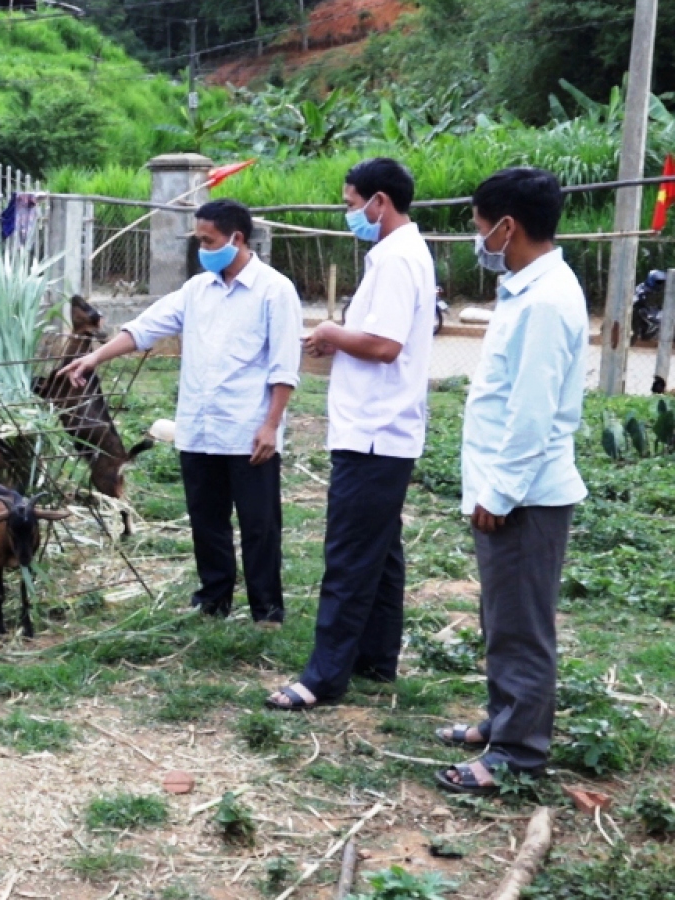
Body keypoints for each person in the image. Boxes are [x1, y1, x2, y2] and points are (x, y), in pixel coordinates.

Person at [58, 200, 302, 626]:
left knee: (259, 523)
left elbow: (284, 365)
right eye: (199, 240)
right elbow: (145, 328)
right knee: (207, 520)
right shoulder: (197, 290)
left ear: (236, 238)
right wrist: (93, 358)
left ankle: (267, 610)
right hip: (200, 427)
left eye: (208, 240)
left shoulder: (274, 290)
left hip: (247, 429)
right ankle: (213, 599)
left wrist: (271, 425)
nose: (202, 249)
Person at [434, 168, 587, 794]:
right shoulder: (529, 289)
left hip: (525, 494)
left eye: (479, 227)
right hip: (509, 487)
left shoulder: (547, 301)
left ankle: (518, 754)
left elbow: (532, 412)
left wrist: (499, 492)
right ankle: (503, 722)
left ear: (507, 226)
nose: (480, 240)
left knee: (522, 626)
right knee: (502, 616)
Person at [268, 157, 437, 711]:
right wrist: (340, 338)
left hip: (374, 432)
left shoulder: (396, 259)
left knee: (348, 557)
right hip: (380, 430)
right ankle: (375, 658)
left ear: (379, 202)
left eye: (351, 204)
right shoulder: (399, 253)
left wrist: (331, 332)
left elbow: (385, 345)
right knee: (380, 553)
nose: (350, 214)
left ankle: (323, 677)